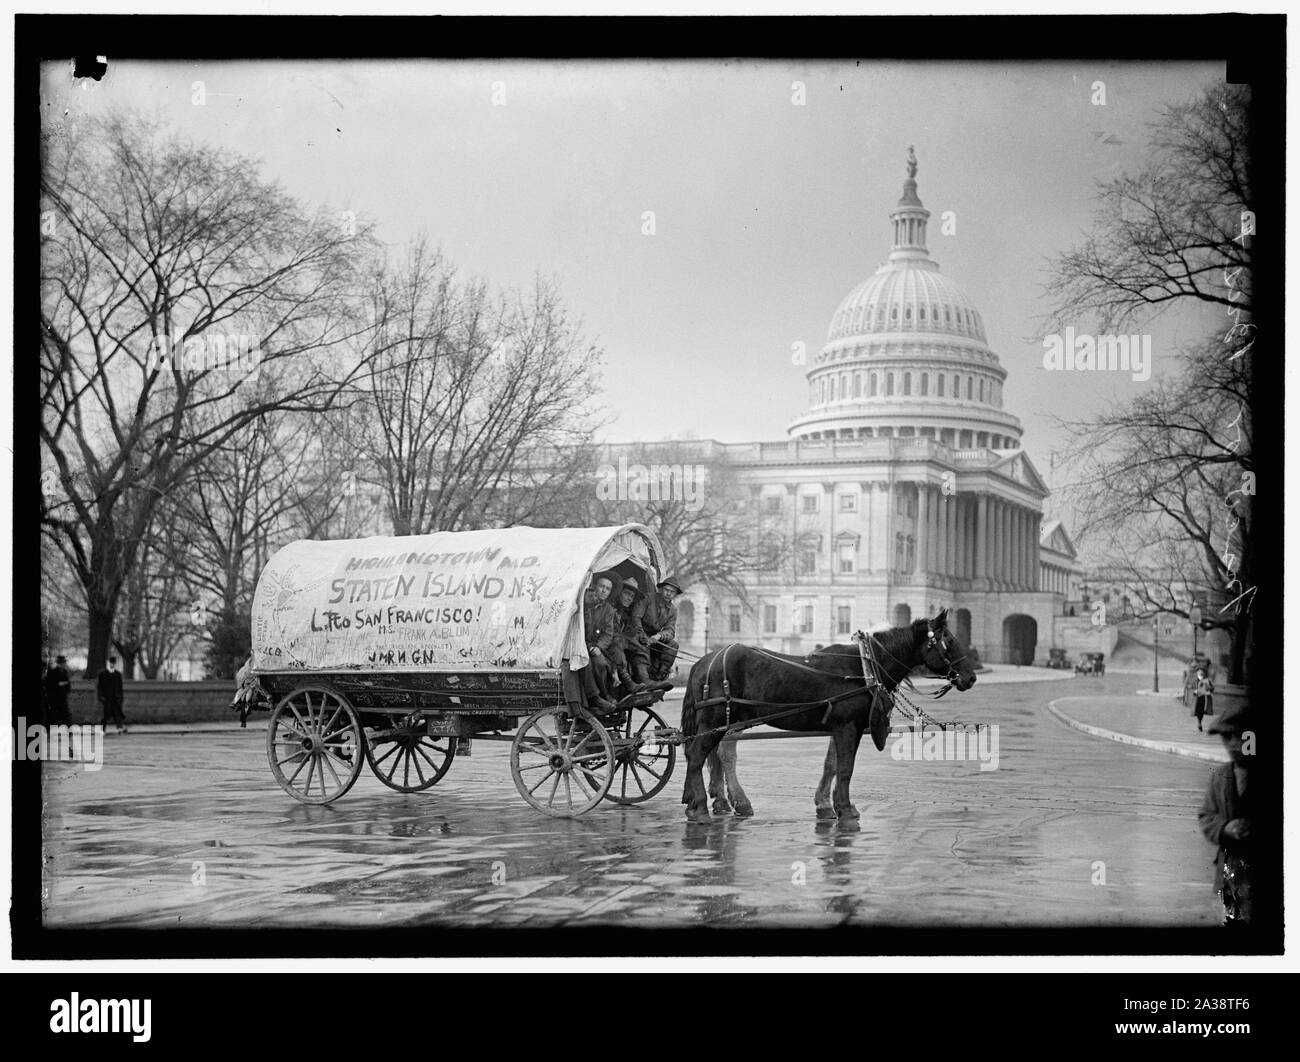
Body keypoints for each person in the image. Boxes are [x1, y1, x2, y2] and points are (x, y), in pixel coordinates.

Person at [1198, 704, 1259, 926]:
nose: (1233, 744)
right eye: (1226, 737)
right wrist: (1225, 828)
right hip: (1230, 873)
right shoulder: (1220, 776)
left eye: (1240, 737)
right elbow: (1206, 816)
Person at [581, 573, 619, 710]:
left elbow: (608, 633)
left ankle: (604, 695)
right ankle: (594, 697)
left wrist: (599, 646)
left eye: (607, 589)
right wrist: (586, 645)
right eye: (601, 586)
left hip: (595, 646)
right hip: (579, 643)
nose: (604, 590)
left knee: (601, 663)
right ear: (595, 586)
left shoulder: (608, 609)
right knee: (585, 663)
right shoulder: (584, 602)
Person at [612, 576, 651, 688]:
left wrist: (639, 635)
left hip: (619, 642)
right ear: (619, 593)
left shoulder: (624, 614)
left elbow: (628, 631)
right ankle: (628, 682)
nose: (629, 598)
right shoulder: (610, 608)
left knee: (640, 643)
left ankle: (644, 679)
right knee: (619, 642)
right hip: (609, 644)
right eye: (627, 594)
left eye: (632, 596)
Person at [642, 578, 682, 682]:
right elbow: (636, 617)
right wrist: (642, 635)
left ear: (675, 595)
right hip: (639, 635)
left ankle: (659, 676)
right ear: (661, 589)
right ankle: (644, 677)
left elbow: (670, 630)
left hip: (655, 638)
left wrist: (659, 636)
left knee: (673, 645)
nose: (668, 593)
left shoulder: (673, 610)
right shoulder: (648, 599)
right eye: (666, 590)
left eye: (672, 592)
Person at [97, 655, 127, 733]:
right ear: (108, 663)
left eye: (113, 663)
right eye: (111, 662)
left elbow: (120, 688)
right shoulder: (102, 674)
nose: (112, 664)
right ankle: (102, 730)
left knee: (117, 713)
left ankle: (119, 728)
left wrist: (121, 698)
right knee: (105, 715)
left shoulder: (118, 674)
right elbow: (99, 686)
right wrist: (100, 696)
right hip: (106, 697)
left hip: (115, 697)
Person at [44, 655, 72, 726]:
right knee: (55, 714)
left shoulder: (64, 672)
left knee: (65, 714)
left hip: (62, 696)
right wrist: (60, 684)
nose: (64, 664)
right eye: (63, 663)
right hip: (55, 696)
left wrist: (66, 688)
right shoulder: (53, 672)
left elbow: (68, 683)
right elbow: (49, 684)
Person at [1192, 667, 1215, 732]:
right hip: (1197, 698)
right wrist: (1194, 691)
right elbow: (1190, 687)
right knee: (1198, 711)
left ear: (1204, 674)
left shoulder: (1207, 680)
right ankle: (1199, 723)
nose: (1200, 674)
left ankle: (1199, 723)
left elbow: (1212, 688)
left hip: (1205, 698)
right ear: (1197, 673)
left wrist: (1208, 688)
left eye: (1201, 673)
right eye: (1199, 673)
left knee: (1201, 711)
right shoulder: (1195, 680)